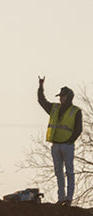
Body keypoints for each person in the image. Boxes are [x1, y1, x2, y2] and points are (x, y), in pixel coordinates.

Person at [37, 77, 82, 205]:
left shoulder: (76, 111)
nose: (60, 98)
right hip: (56, 144)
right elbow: (42, 101)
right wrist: (41, 87)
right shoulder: (54, 108)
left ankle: (68, 198)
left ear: (69, 97)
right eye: (60, 96)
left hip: (67, 146)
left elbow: (78, 129)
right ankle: (61, 197)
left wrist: (70, 141)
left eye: (63, 96)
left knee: (69, 172)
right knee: (58, 172)